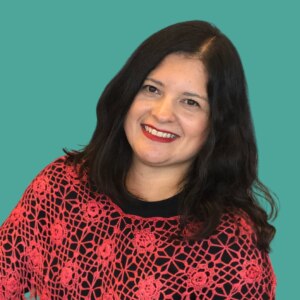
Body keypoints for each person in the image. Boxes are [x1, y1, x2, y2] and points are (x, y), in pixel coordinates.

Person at [0, 20, 277, 299]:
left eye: (190, 102)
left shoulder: (233, 252)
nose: (162, 113)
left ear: (217, 125)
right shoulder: (59, 188)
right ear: (127, 93)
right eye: (152, 89)